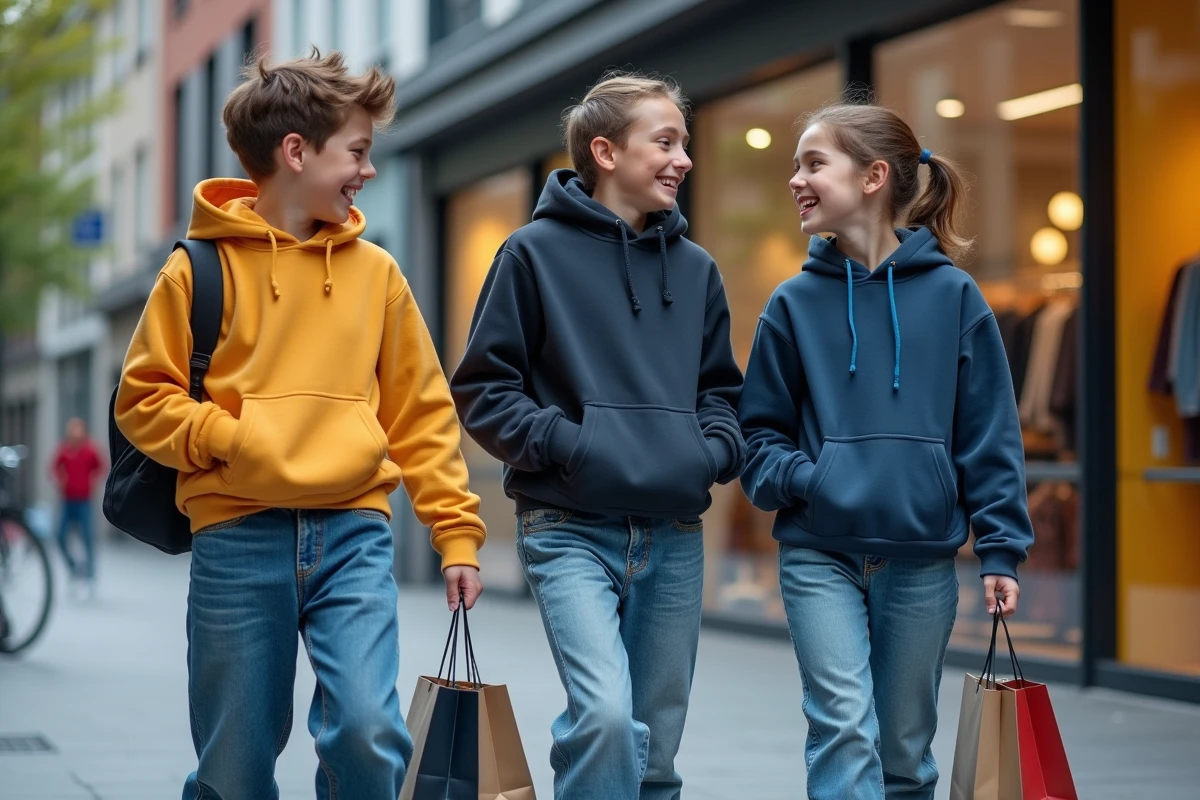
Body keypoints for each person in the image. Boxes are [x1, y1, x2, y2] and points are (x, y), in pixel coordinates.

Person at [115, 50, 486, 800]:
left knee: (368, 732)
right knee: (235, 765)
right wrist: (236, 440)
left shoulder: (376, 272)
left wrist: (456, 533)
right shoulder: (195, 269)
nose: (368, 171)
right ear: (296, 152)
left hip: (354, 530)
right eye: (357, 151)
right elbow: (142, 400)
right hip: (236, 534)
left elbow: (421, 410)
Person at [450, 72, 745, 800]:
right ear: (606, 152)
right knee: (607, 719)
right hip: (569, 527)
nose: (683, 160)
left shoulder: (699, 270)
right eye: (666, 141)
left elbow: (722, 396)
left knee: (655, 753)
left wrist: (707, 453)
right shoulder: (531, 254)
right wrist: (571, 446)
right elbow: (484, 391)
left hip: (673, 532)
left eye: (685, 143)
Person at [738, 102, 1035, 799]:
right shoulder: (792, 304)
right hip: (820, 552)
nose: (796, 180)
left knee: (904, 753)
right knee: (842, 726)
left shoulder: (956, 297)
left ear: (873, 176)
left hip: (921, 556)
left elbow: (989, 430)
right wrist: (815, 478)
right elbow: (757, 440)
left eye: (813, 163)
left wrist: (1001, 546)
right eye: (795, 165)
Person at [50, 417, 104, 597]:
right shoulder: (64, 450)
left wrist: (93, 481)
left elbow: (100, 467)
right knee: (60, 536)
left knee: (88, 539)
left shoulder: (90, 450)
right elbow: (54, 468)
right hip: (67, 501)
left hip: (85, 501)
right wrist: (60, 480)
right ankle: (74, 568)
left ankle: (89, 578)